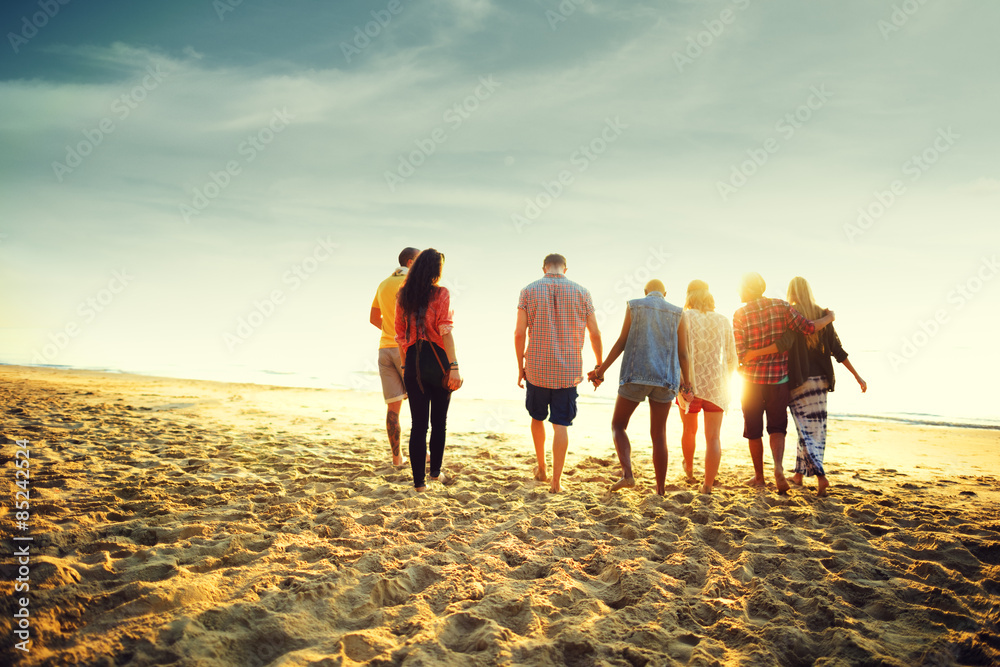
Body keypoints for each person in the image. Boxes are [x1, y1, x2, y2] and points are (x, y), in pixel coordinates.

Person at [743, 277, 867, 496]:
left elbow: (784, 344)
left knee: (805, 429)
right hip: (821, 381)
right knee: (814, 429)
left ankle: (821, 476)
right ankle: (799, 475)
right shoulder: (824, 315)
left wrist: (752, 355)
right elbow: (837, 350)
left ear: (792, 292)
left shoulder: (791, 314)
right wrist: (857, 376)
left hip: (798, 380)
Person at [732, 272, 834, 494]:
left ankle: (759, 476)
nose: (738, 292)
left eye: (740, 287)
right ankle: (778, 468)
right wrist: (828, 318)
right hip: (779, 379)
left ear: (748, 289)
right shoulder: (782, 306)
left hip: (750, 382)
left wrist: (750, 357)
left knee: (753, 429)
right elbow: (807, 327)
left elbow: (741, 353)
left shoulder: (740, 314)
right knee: (777, 427)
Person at [588, 279, 687, 495]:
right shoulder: (678, 312)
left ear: (645, 292)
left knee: (618, 425)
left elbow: (622, 342)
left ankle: (627, 474)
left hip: (636, 375)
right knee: (659, 434)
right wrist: (686, 383)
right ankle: (660, 490)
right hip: (665, 380)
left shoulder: (634, 305)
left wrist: (600, 370)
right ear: (665, 293)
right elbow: (683, 353)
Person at [515, 253, 602, 493]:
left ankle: (541, 467)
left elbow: (519, 333)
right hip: (568, 371)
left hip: (536, 369)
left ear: (544, 267)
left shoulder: (528, 291)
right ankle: (556, 482)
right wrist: (599, 364)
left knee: (537, 417)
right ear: (565, 268)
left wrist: (519, 367)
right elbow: (595, 333)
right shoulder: (582, 292)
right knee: (561, 424)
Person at [394, 248, 463, 492]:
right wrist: (454, 366)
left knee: (418, 424)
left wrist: (405, 368)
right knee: (439, 422)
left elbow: (400, 337)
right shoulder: (441, 293)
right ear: (436, 270)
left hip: (413, 362)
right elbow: (445, 331)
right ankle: (435, 473)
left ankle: (419, 485)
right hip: (438, 360)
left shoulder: (403, 295)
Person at [676, 280, 738, 494]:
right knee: (713, 437)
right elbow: (732, 359)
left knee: (689, 430)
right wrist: (723, 379)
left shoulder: (683, 317)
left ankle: (690, 467)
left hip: (689, 386)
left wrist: (682, 381)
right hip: (716, 388)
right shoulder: (722, 321)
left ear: (689, 295)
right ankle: (708, 485)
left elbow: (678, 353)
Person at [370, 247, 419, 466]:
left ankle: (397, 458)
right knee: (420, 404)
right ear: (410, 262)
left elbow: (373, 318)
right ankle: (423, 453)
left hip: (384, 350)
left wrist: (390, 329)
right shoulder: (413, 283)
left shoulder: (383, 283)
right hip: (406, 349)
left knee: (393, 408)